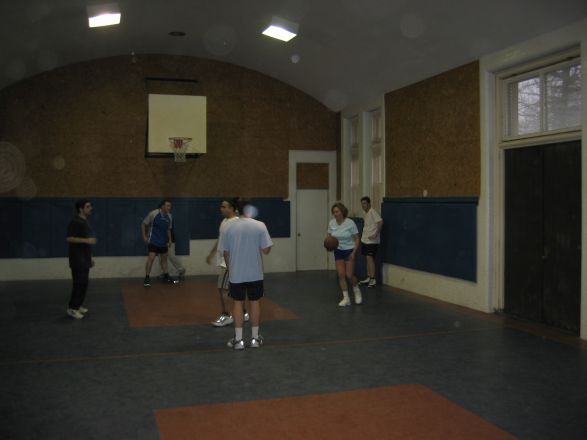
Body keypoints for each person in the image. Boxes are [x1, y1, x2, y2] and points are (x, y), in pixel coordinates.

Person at [219, 201, 273, 350]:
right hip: (255, 273)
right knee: (255, 302)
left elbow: (225, 252)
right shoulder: (260, 225)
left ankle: (238, 340)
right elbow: (266, 250)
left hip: (237, 274)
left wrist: (231, 270)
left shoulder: (228, 227)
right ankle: (255, 339)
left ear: (237, 210)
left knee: (237, 303)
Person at [206, 198, 248, 327]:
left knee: (222, 288)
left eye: (224, 207)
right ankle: (244, 312)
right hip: (226, 260)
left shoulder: (236, 223)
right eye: (221, 206)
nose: (221, 208)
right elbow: (220, 239)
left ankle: (227, 315)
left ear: (232, 208)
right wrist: (212, 253)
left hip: (229, 262)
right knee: (235, 289)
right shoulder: (224, 221)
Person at [65, 200, 96, 319]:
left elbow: (87, 243)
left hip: (85, 258)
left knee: (84, 284)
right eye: (88, 206)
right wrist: (87, 241)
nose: (91, 208)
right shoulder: (75, 221)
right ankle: (72, 309)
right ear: (80, 209)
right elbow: (69, 238)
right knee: (78, 284)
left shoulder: (85, 221)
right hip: (77, 259)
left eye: (90, 206)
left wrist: (91, 257)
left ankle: (78, 305)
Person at [328, 202, 362, 306]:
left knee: (349, 275)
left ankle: (357, 291)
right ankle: (346, 298)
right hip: (338, 251)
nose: (335, 214)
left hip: (349, 251)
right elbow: (329, 238)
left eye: (337, 211)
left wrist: (354, 252)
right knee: (341, 275)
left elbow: (357, 239)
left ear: (342, 211)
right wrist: (329, 245)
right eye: (334, 212)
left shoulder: (350, 223)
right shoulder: (331, 223)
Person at [142, 200, 175, 286]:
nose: (169, 208)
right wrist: (144, 236)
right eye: (167, 206)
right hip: (153, 241)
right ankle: (147, 277)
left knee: (164, 260)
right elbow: (143, 224)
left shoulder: (170, 216)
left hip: (163, 242)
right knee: (151, 258)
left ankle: (166, 276)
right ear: (162, 206)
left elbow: (168, 229)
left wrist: (170, 239)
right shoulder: (153, 214)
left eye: (170, 206)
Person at [358, 196, 383, 288]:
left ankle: (373, 279)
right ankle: (369, 277)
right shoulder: (365, 213)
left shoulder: (373, 211)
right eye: (362, 204)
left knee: (369, 258)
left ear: (369, 203)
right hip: (365, 240)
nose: (363, 205)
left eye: (364, 203)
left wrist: (375, 234)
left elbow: (380, 222)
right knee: (367, 259)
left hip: (372, 241)